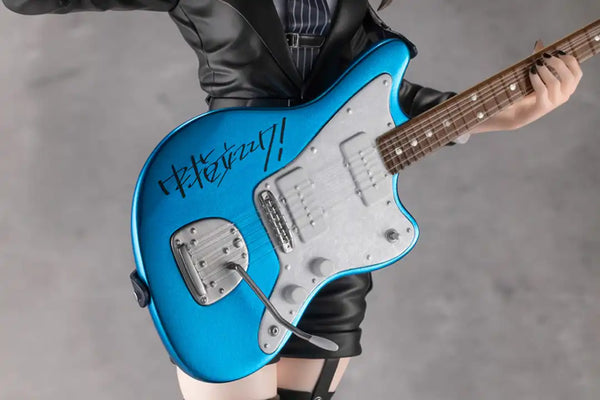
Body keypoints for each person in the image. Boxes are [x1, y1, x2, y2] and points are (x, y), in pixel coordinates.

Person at [1, 0, 583, 399]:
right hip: (225, 219)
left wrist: (509, 112)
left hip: (332, 239)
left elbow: (386, 97)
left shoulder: (360, 17)